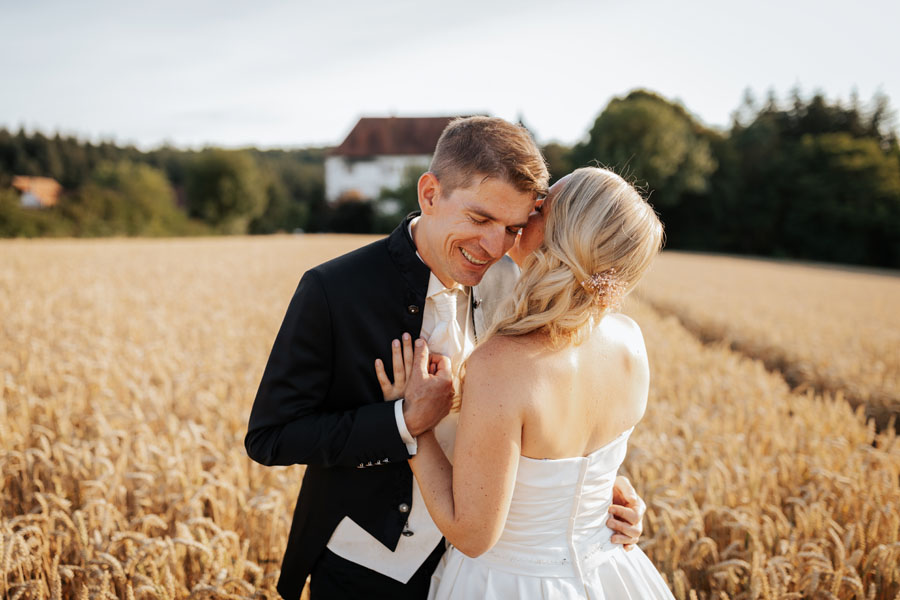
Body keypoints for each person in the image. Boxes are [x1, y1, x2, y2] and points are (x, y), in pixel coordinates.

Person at [244, 117, 647, 600]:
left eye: (514, 227)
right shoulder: (334, 291)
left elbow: (540, 416)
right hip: (366, 566)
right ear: (430, 194)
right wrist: (401, 421)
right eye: (479, 220)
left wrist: (599, 495)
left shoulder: (516, 282)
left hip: (478, 571)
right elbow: (271, 438)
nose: (496, 246)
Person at [376, 167, 673, 598]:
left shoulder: (502, 364)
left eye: (540, 204)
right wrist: (610, 493)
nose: (525, 210)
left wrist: (411, 424)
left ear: (560, 231)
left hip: (508, 582)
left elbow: (473, 535)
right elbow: (576, 457)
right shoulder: (630, 339)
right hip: (613, 571)